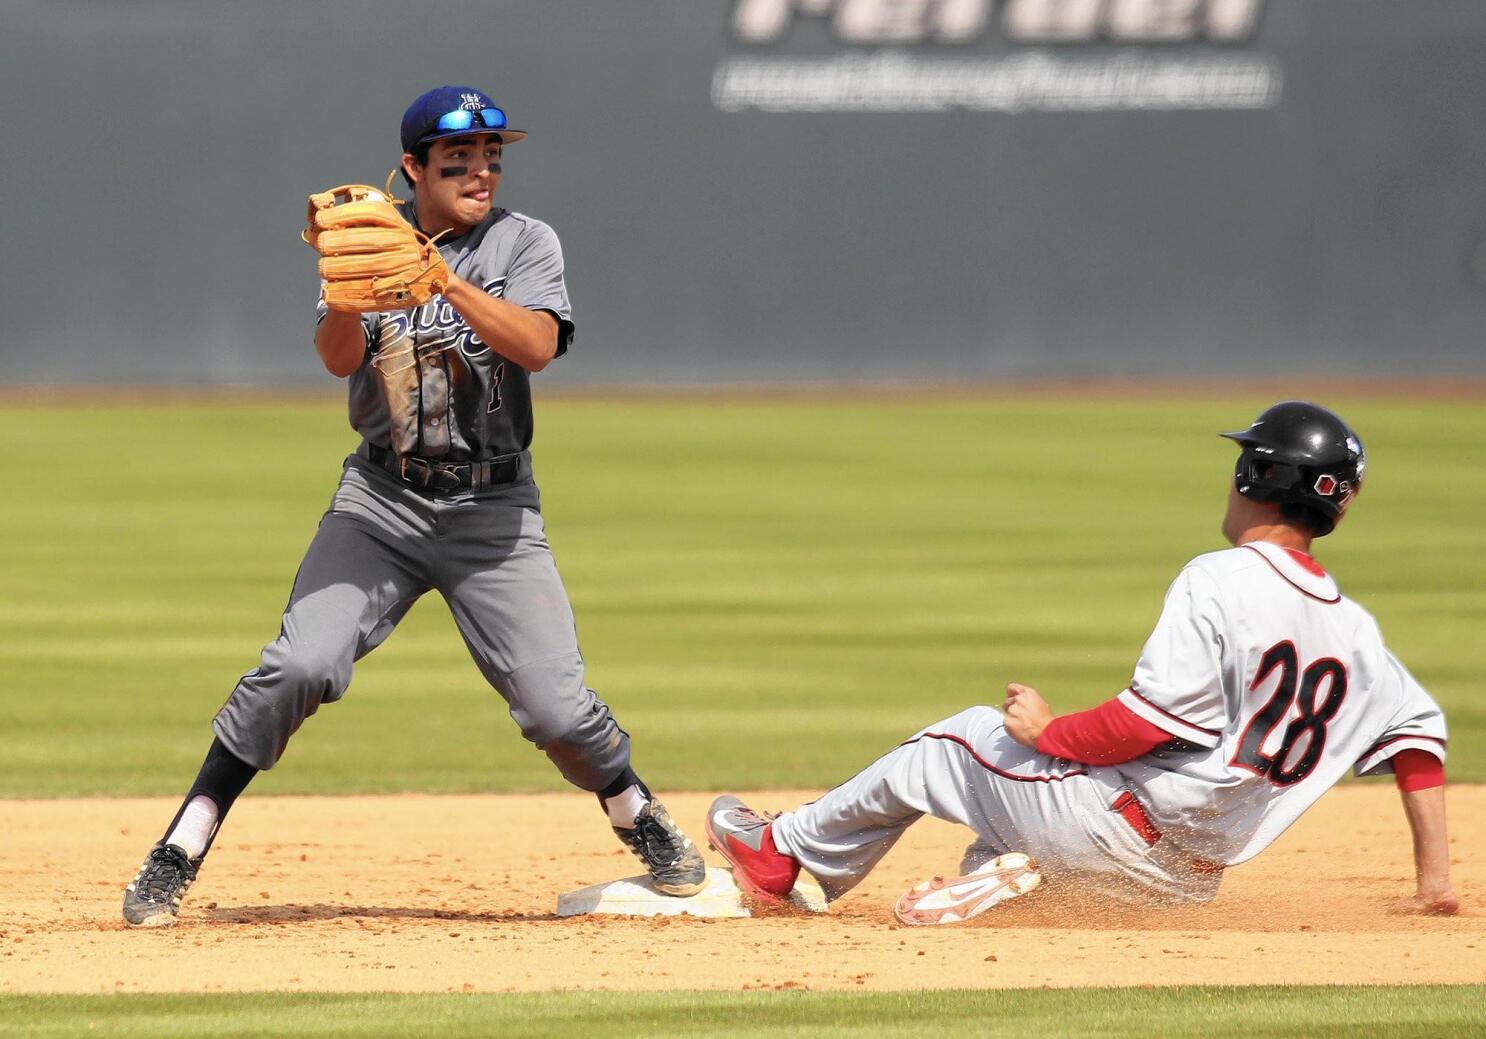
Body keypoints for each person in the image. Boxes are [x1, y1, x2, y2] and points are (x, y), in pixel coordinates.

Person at [122, 85, 705, 927]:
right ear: (413, 168)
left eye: (490, 158)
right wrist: (352, 295)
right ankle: (183, 841)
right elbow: (335, 359)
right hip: (382, 502)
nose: (480, 171)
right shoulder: (366, 235)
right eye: (458, 159)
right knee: (300, 666)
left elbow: (537, 345)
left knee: (556, 709)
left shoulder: (525, 241)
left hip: (494, 512)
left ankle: (636, 812)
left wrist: (444, 283)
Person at [707, 402, 1457, 924]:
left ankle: (780, 853)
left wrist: (1048, 731)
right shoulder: (1356, 632)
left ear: (1259, 478)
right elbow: (1418, 738)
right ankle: (998, 889)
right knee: (1004, 828)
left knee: (953, 741)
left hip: (1113, 831)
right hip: (1186, 884)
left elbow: (1142, 722)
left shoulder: (1221, 577)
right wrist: (1435, 882)